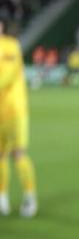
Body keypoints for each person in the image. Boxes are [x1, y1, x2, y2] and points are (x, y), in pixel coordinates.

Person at [0, 18, 38, 218]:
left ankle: (30, 197)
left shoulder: (10, 46)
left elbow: (8, 75)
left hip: (15, 110)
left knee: (19, 153)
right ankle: (2, 198)